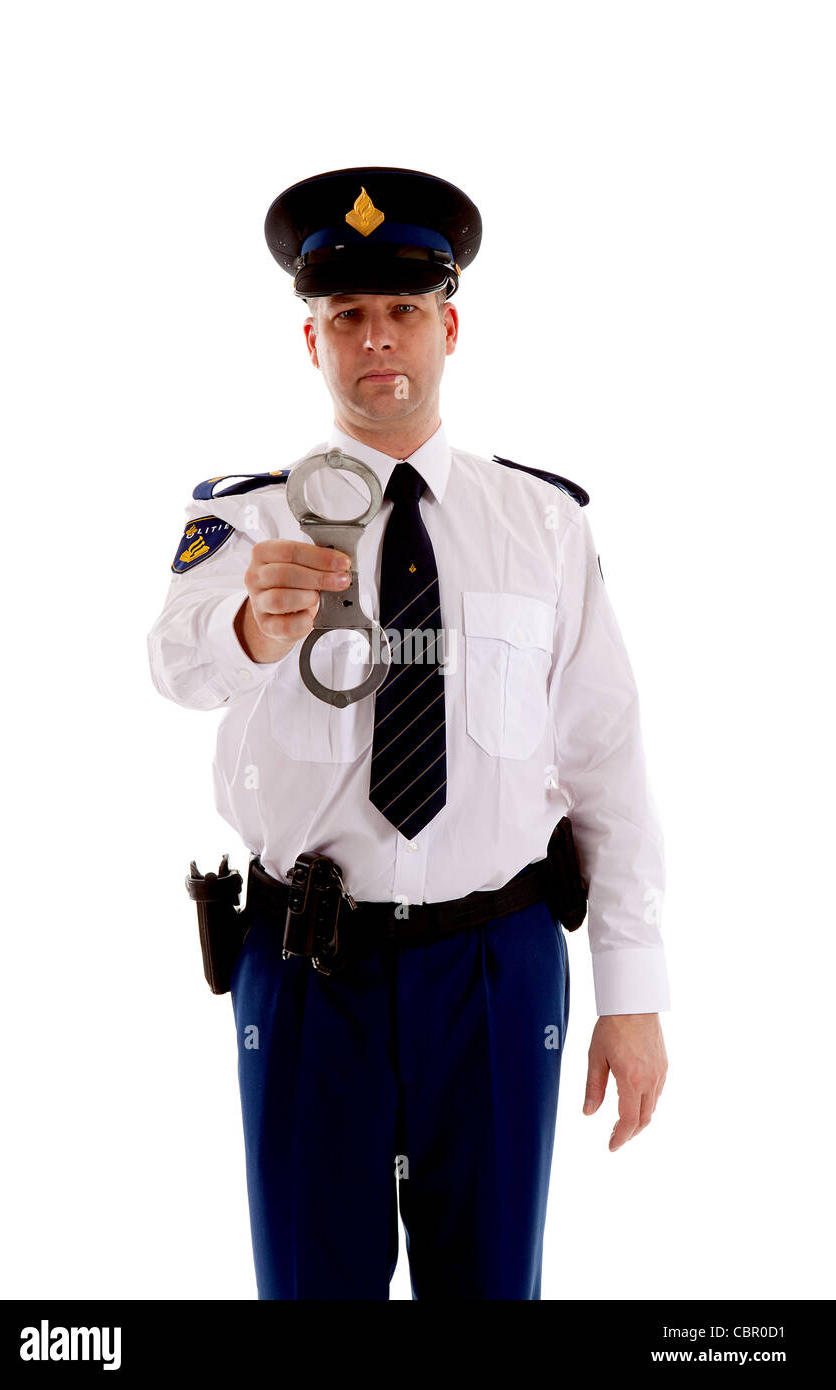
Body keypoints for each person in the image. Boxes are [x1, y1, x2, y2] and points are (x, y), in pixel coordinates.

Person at [147, 165, 670, 1301]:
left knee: (490, 1285)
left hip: (496, 965)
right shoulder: (246, 518)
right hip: (303, 969)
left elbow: (604, 762)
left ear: (447, 326)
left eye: (399, 312)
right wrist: (247, 624)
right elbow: (174, 663)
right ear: (312, 344)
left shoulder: (541, 523)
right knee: (308, 1287)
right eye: (346, 318)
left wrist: (630, 990)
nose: (375, 340)